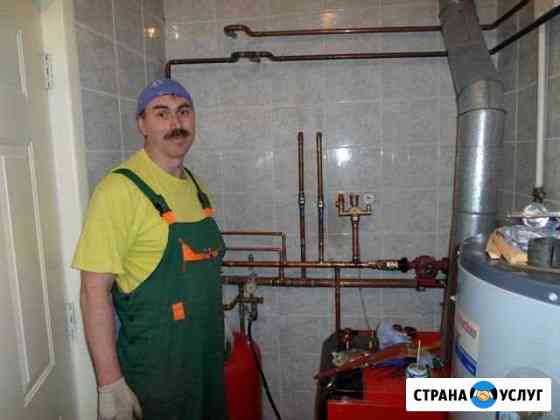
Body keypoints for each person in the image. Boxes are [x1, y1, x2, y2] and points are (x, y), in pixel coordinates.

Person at [72, 79, 227, 420]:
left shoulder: (196, 186)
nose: (176, 123)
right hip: (158, 372)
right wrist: (110, 383)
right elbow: (93, 291)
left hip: (206, 362)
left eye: (183, 112)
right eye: (162, 113)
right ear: (142, 124)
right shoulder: (118, 190)